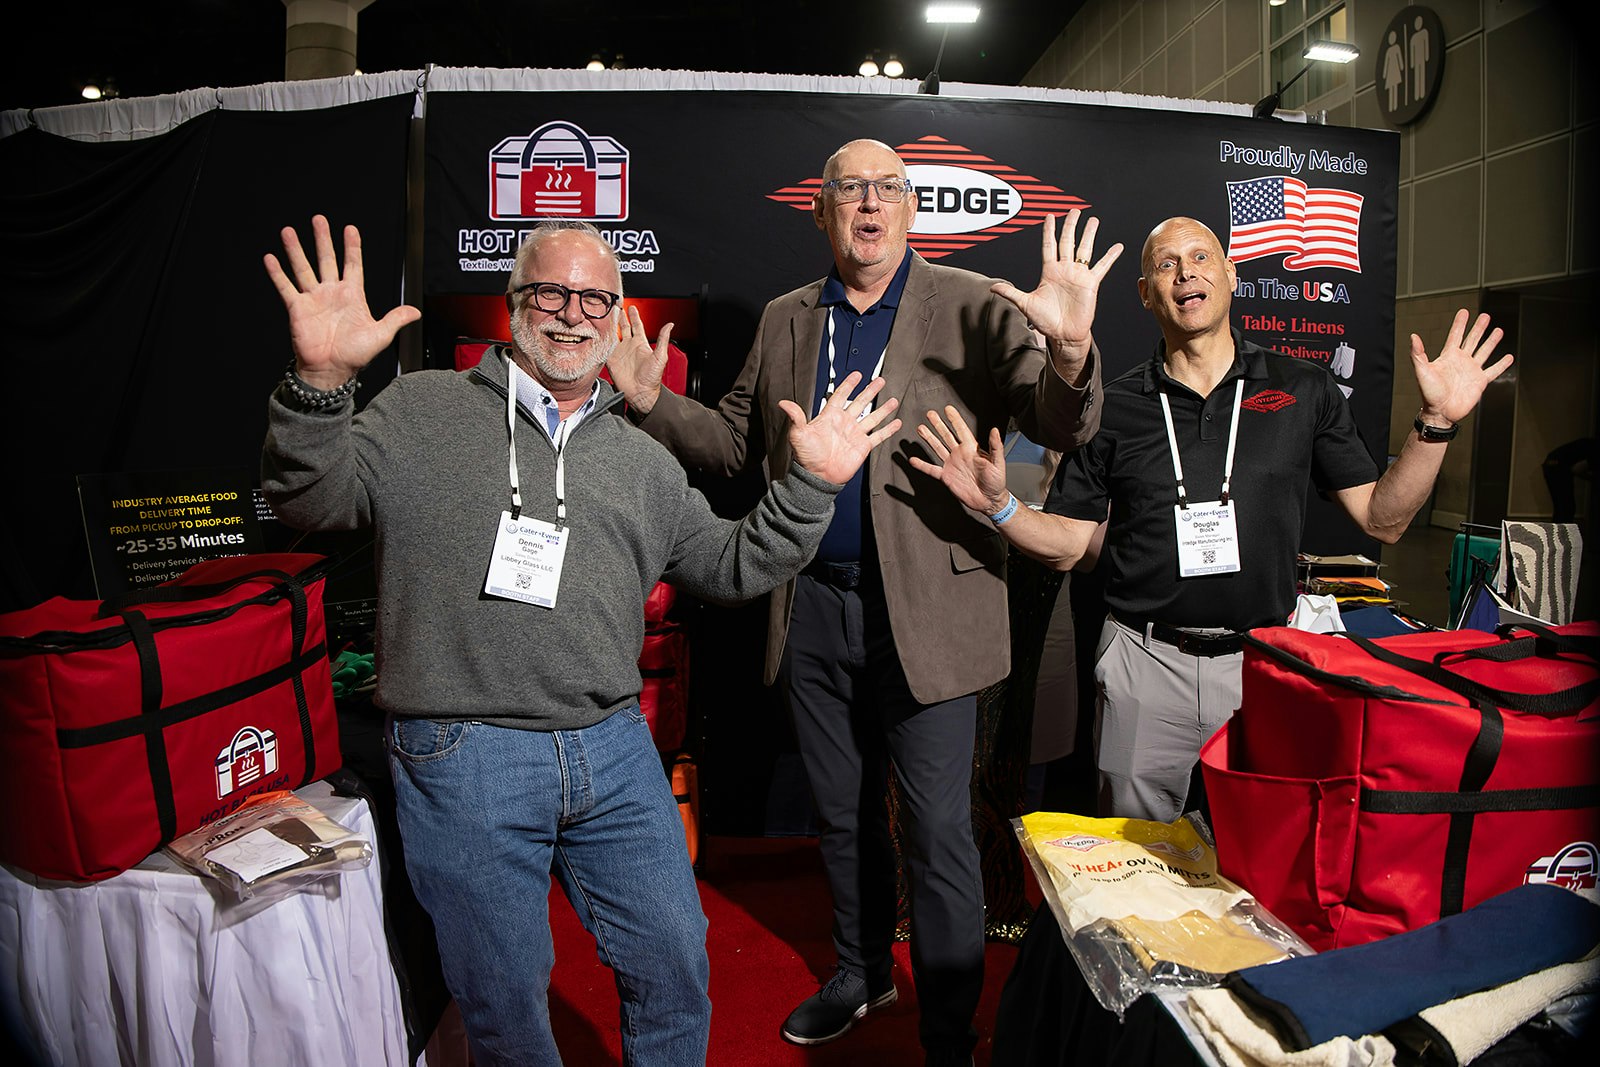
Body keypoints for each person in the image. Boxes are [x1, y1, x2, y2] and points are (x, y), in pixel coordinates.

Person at [259, 215, 901, 1066]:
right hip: (464, 751)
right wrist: (317, 385)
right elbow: (312, 504)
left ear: (619, 313)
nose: (572, 314)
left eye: (594, 297)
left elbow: (734, 563)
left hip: (612, 745)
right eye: (551, 292)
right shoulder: (421, 411)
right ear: (514, 302)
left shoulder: (641, 460)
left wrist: (810, 487)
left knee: (675, 960)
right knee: (504, 998)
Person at [606, 138, 1115, 1064]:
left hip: (932, 613)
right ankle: (860, 970)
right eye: (851, 190)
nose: (869, 205)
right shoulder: (787, 318)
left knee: (937, 828)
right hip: (813, 609)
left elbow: (1058, 422)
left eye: (887, 189)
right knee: (838, 814)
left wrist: (1072, 350)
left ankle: (951, 1025)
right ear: (823, 210)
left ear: (911, 209)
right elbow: (729, 444)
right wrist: (649, 403)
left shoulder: (968, 305)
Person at [912, 215, 1512, 824]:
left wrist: (1436, 424)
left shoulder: (1304, 389)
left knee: (1256, 859)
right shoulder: (1112, 406)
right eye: (1166, 265)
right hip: (1144, 666)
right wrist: (1001, 508)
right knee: (1134, 869)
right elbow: (1070, 543)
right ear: (1146, 294)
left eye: (1201, 258)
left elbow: (1382, 519)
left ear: (1230, 274)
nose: (1185, 274)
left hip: (1260, 663)